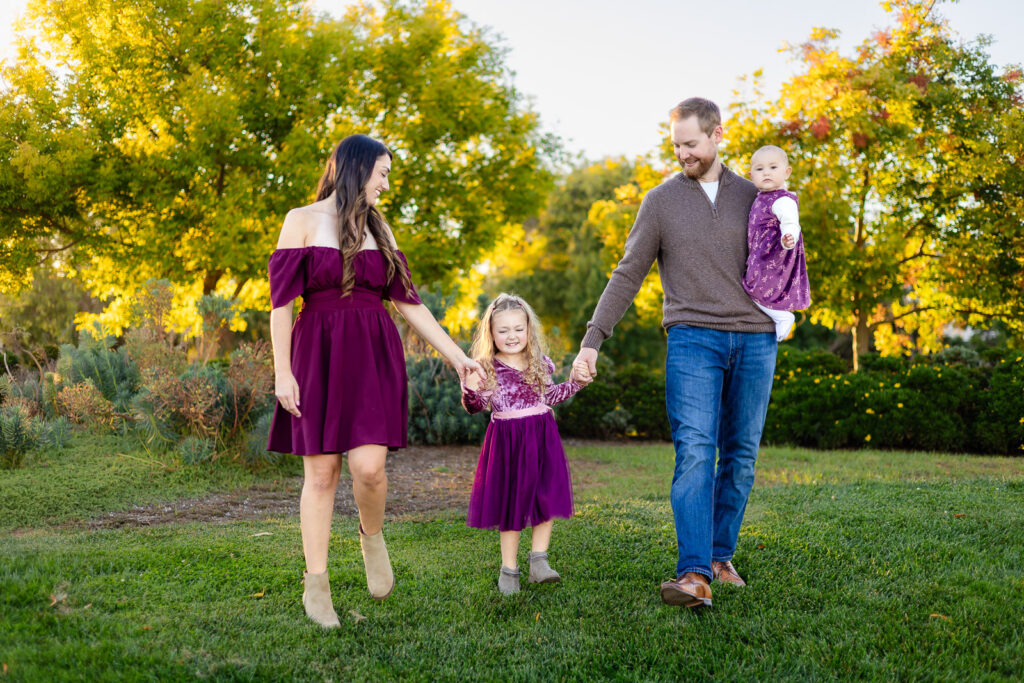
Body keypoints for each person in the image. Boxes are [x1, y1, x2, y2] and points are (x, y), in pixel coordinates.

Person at [267, 134, 485, 628]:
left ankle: (372, 537)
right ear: (357, 168)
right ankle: (316, 586)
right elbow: (281, 305)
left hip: (372, 356)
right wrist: (282, 372)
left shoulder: (379, 230)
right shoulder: (300, 221)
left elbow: (409, 303)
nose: (387, 183)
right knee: (320, 475)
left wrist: (457, 359)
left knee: (369, 469)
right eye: (382, 173)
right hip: (315, 356)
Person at [571, 98, 777, 609]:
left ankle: (720, 556)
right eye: (676, 145)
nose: (682, 153)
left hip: (755, 336)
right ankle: (693, 573)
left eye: (691, 144)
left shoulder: (755, 196)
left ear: (717, 136)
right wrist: (593, 340)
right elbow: (628, 273)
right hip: (692, 338)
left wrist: (787, 313)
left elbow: (784, 261)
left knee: (742, 457)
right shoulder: (660, 201)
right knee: (695, 451)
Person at [461, 293, 590, 595]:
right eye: (503, 330)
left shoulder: (538, 363)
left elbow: (549, 397)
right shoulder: (486, 368)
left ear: (528, 330)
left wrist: (576, 384)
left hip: (542, 437)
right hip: (508, 442)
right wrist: (468, 391)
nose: (512, 336)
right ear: (491, 334)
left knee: (544, 498)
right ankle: (509, 569)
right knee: (512, 503)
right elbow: (477, 405)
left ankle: (539, 561)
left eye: (518, 329)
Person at [742, 145, 811, 342]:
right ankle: (780, 314)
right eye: (759, 169)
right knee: (751, 286)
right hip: (761, 253)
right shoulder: (760, 197)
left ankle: (782, 315)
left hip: (773, 254)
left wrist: (788, 237)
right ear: (751, 175)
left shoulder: (783, 199)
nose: (766, 173)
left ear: (786, 172)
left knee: (753, 288)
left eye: (773, 167)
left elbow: (791, 223)